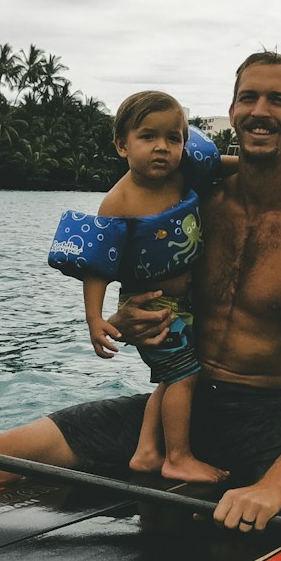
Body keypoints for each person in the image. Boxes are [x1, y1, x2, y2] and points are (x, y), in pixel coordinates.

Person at [0, 51, 281, 537]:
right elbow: (128, 269)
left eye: (279, 100)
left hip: (261, 416)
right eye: (248, 98)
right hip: (174, 402)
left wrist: (273, 486)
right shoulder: (190, 199)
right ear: (232, 113)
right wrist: (124, 319)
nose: (260, 111)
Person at [48, 90, 227, 484]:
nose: (162, 147)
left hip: (183, 302)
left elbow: (222, 167)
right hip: (150, 306)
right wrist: (95, 320)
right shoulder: (119, 201)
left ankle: (146, 453)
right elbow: (96, 268)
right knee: (184, 375)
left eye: (174, 138)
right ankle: (177, 456)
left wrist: (249, 166)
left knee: (171, 375)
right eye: (148, 137)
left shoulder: (183, 177)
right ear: (121, 145)